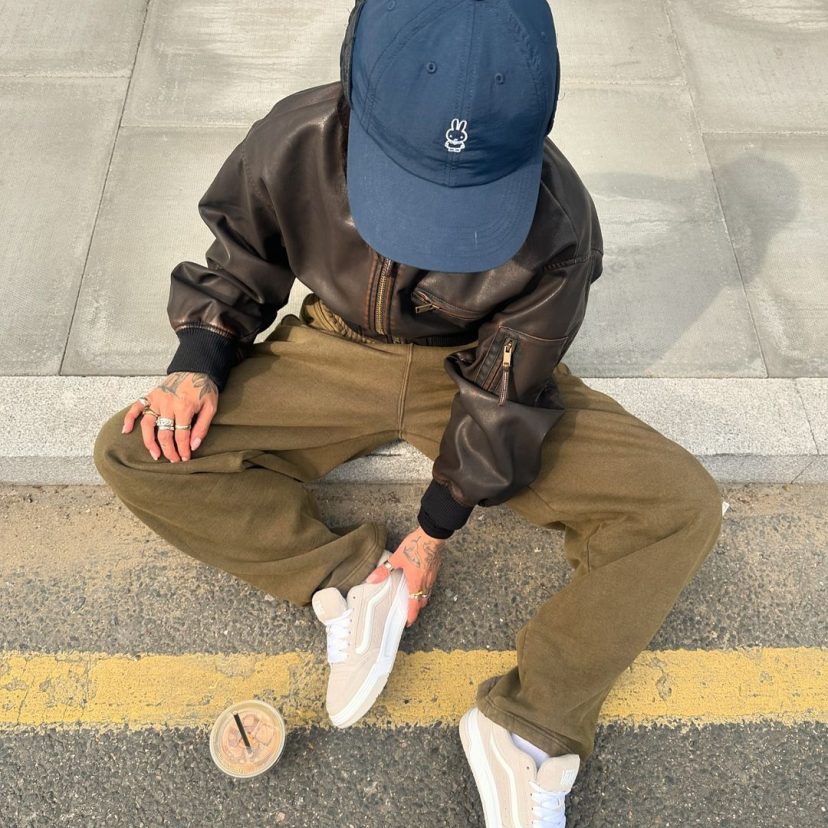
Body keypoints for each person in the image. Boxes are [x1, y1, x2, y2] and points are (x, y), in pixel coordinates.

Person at [93, 1, 723, 825]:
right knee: (135, 451)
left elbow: (506, 394)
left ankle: (526, 731)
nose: (429, 235)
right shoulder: (293, 137)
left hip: (472, 373)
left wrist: (432, 533)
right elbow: (242, 257)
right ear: (353, 91)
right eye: (407, 187)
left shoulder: (560, 223)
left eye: (463, 207)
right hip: (328, 350)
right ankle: (351, 583)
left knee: (679, 507)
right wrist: (200, 359)